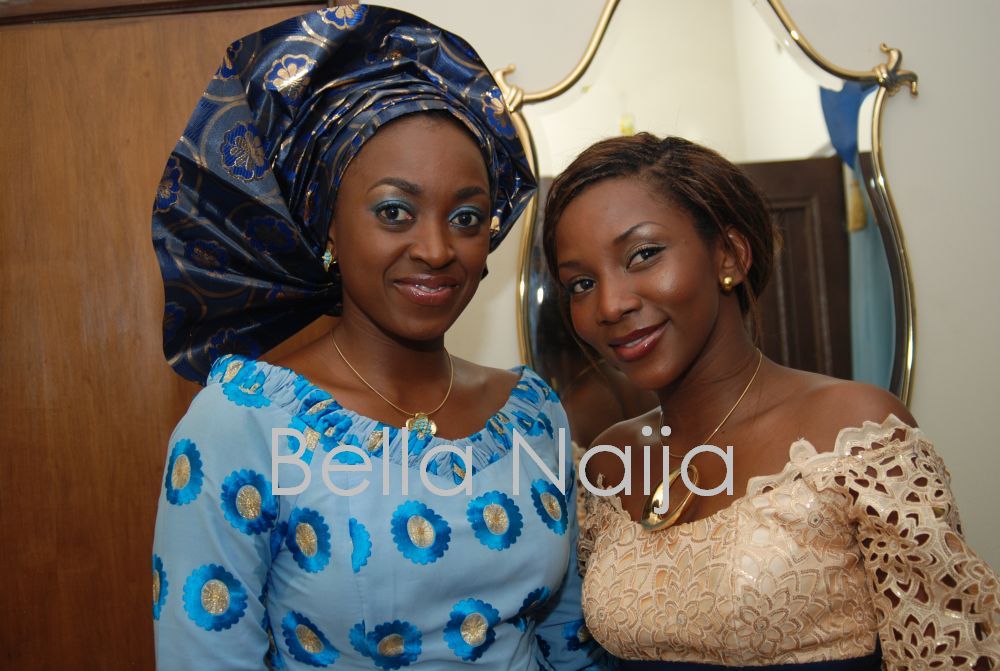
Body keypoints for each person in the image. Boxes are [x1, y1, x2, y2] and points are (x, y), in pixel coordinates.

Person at [151, 6, 607, 669]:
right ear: (329, 226)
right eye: (395, 211)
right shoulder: (242, 421)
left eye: (467, 217)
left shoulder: (534, 415)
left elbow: (570, 643)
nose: (436, 248)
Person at [542, 133, 1000, 669]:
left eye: (643, 254)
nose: (609, 304)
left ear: (730, 255)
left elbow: (948, 654)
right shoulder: (610, 462)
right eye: (581, 284)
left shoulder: (855, 434)